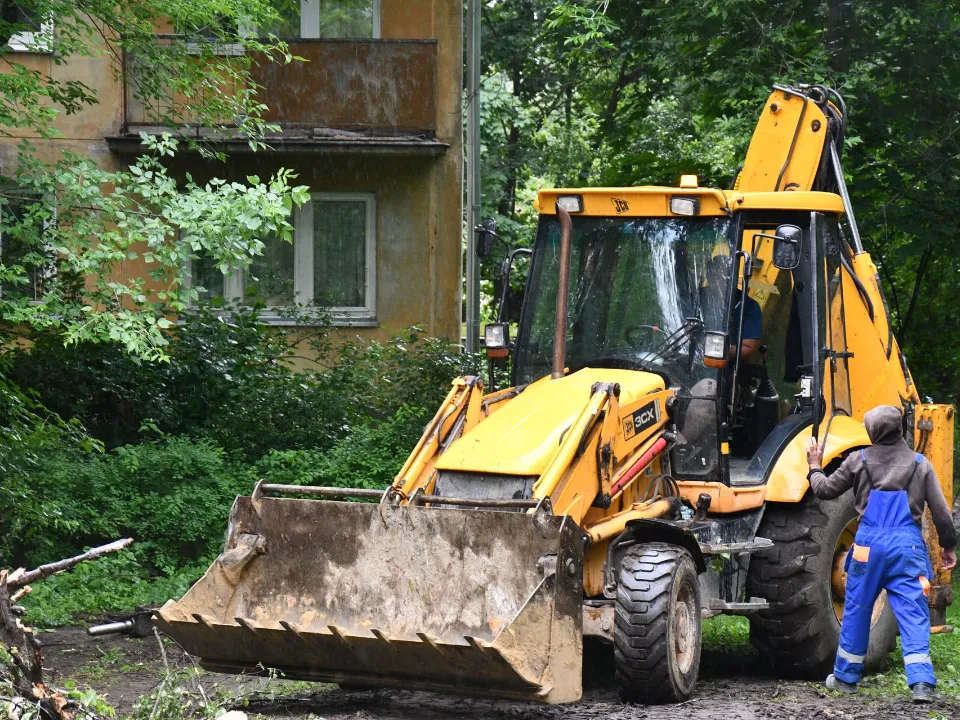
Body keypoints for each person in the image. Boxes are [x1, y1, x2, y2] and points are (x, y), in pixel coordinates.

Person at [805, 405, 958, 703]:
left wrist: (814, 465)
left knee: (858, 609)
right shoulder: (920, 464)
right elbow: (940, 512)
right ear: (899, 428)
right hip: (907, 548)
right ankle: (922, 684)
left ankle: (846, 678)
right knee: (913, 612)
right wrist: (948, 546)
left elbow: (823, 490)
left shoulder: (857, 461)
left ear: (873, 432)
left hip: (867, 549)